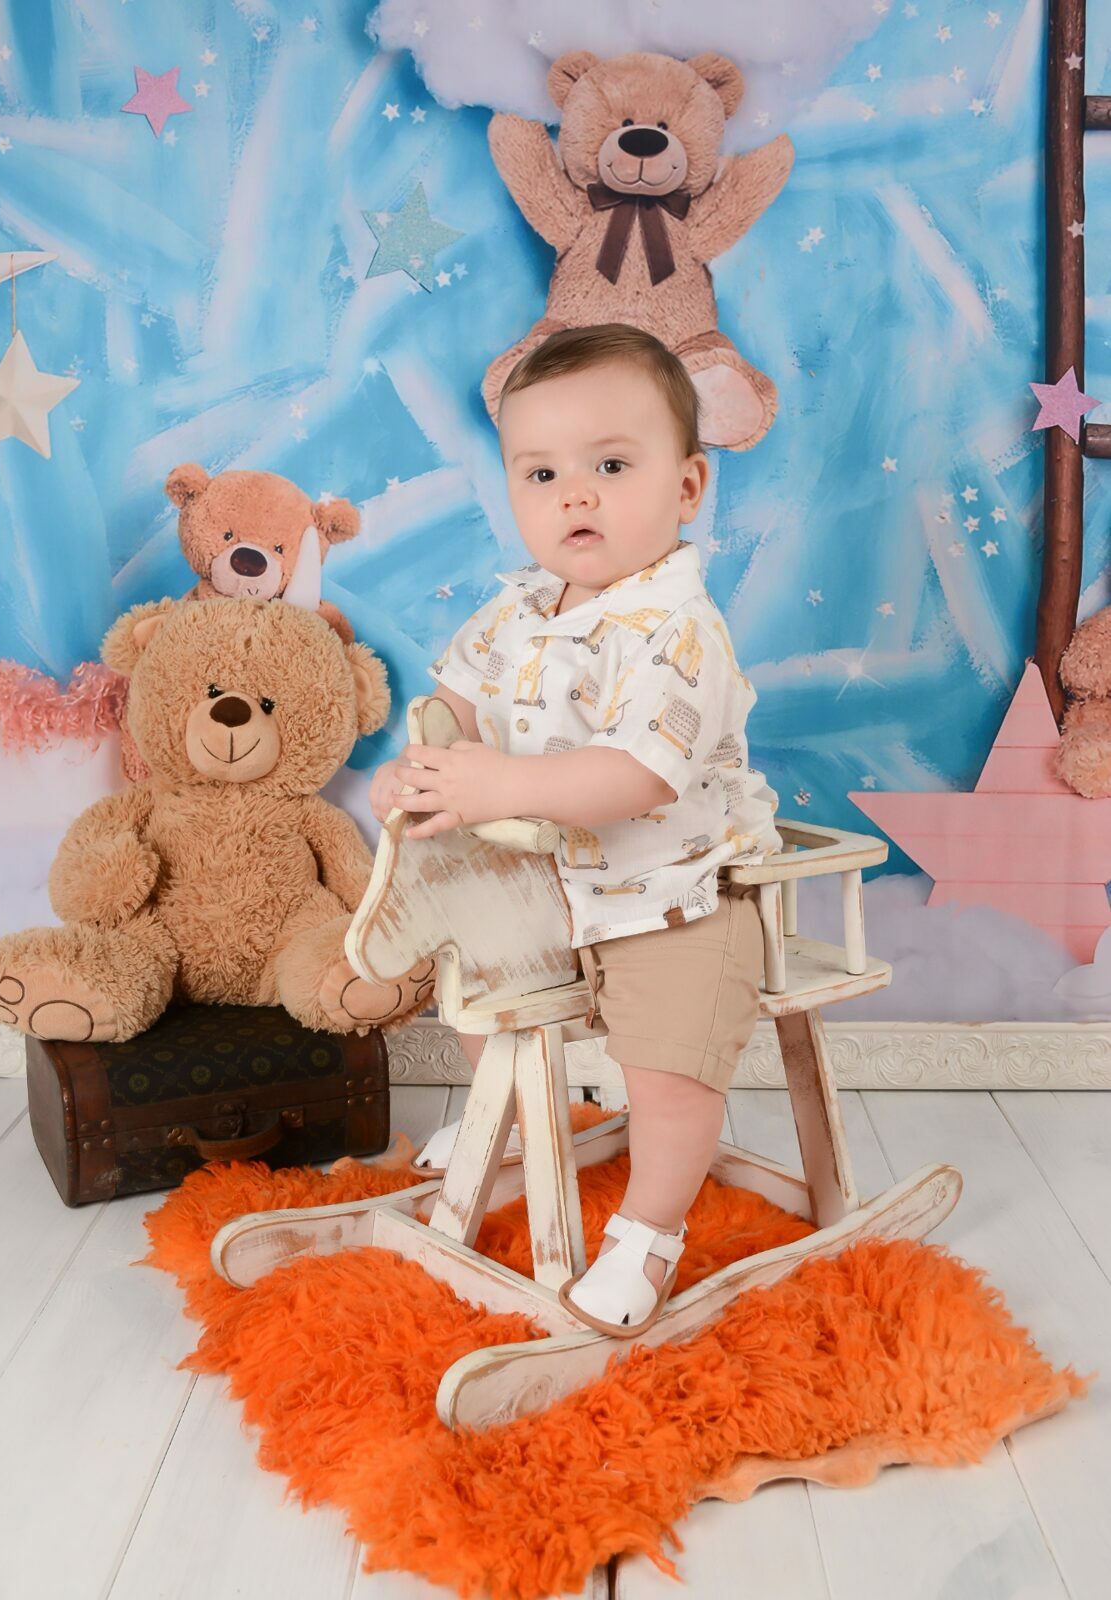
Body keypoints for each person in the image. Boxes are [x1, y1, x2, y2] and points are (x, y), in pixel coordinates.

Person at [368, 322, 782, 1338]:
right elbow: (453, 706)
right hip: (553, 889)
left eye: (610, 466)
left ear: (687, 487)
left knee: (668, 1070)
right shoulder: (517, 611)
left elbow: (636, 775)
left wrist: (502, 781)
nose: (574, 497)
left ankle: (648, 1231)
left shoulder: (678, 631)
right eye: (542, 473)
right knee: (476, 976)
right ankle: (515, 1111)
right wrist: (421, 770)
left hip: (676, 896)